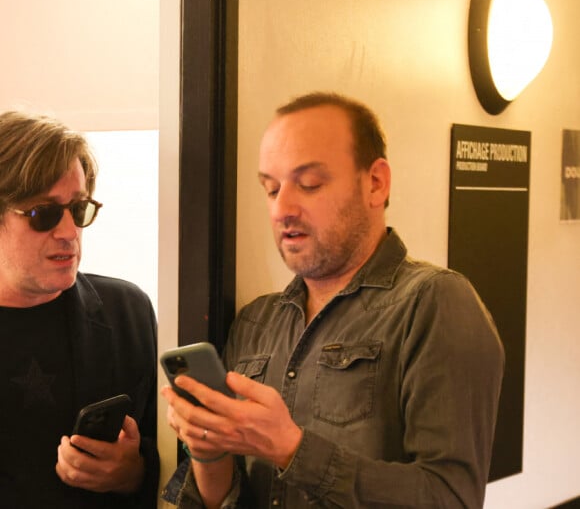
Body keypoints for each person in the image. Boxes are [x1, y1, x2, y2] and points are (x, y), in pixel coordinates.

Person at [161, 92, 505, 508]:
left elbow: (452, 498)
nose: (282, 208)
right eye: (271, 190)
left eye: (309, 184)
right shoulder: (256, 321)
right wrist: (209, 451)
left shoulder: (434, 302)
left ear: (375, 183)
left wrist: (292, 449)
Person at [0, 111, 159, 508]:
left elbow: (172, 453)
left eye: (79, 209)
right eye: (44, 214)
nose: (70, 232)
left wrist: (133, 474)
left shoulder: (128, 313)